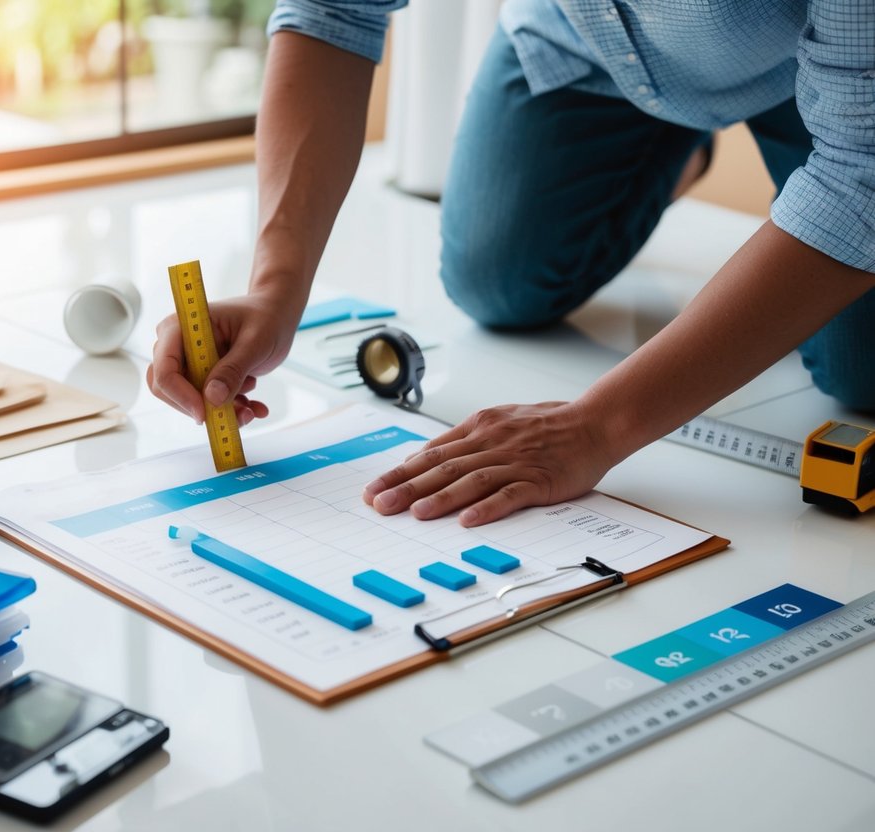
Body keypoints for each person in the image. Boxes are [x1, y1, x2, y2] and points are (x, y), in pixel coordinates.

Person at [147, 0, 875, 529]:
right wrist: (275, 287)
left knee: (861, 373)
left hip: (820, 77)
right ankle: (667, 154)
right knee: (498, 283)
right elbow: (332, 11)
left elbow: (859, 174)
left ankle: (736, 158)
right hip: (588, 37)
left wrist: (599, 426)